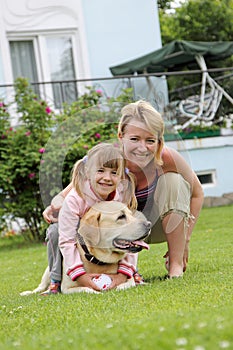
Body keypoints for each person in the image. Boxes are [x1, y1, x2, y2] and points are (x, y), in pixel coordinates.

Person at [43, 100, 204, 280]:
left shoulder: (168, 158)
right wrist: (57, 202)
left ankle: (176, 265)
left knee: (173, 181)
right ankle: (76, 275)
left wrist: (186, 238)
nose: (142, 147)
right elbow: (79, 183)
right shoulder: (109, 159)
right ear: (121, 136)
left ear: (159, 142)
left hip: (156, 227)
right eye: (134, 139)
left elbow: (197, 194)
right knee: (64, 225)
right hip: (119, 231)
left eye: (150, 140)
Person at [42, 143, 139, 295]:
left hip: (102, 231)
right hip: (76, 230)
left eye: (114, 173)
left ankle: (133, 272)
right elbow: (67, 240)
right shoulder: (75, 198)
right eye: (100, 171)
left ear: (121, 177)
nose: (107, 178)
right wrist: (80, 276)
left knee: (126, 231)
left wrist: (123, 274)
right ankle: (55, 280)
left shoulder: (119, 196)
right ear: (88, 171)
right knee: (55, 232)